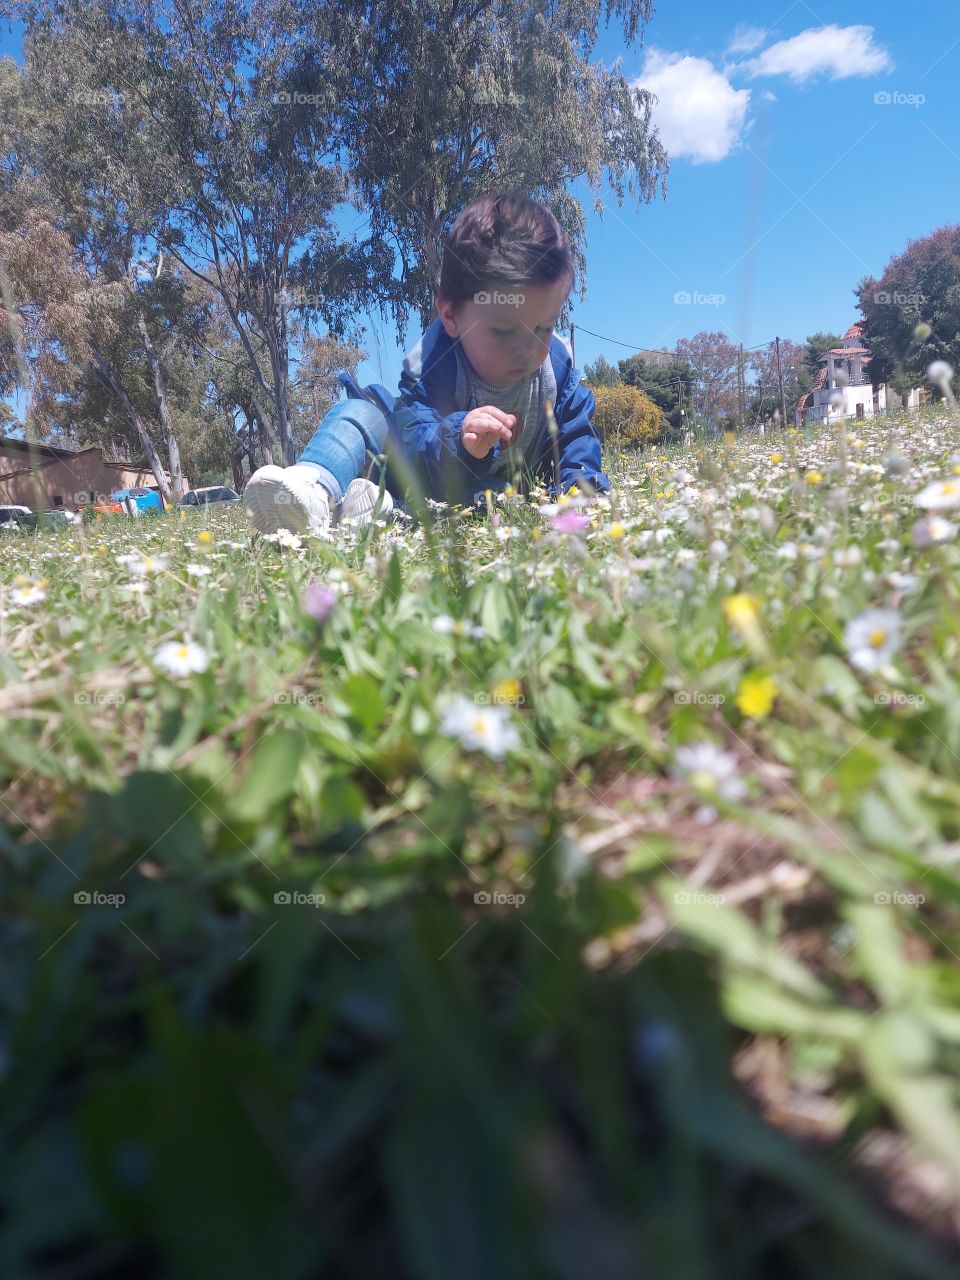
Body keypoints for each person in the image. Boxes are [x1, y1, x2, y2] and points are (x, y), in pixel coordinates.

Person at [242, 191, 610, 536]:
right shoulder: (436, 366)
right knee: (361, 412)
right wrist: (458, 440)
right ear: (451, 316)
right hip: (402, 469)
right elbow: (414, 440)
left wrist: (582, 493)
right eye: (504, 330)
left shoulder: (556, 380)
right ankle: (310, 489)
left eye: (544, 326)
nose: (528, 348)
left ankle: (370, 509)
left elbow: (576, 438)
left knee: (493, 496)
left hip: (472, 497)